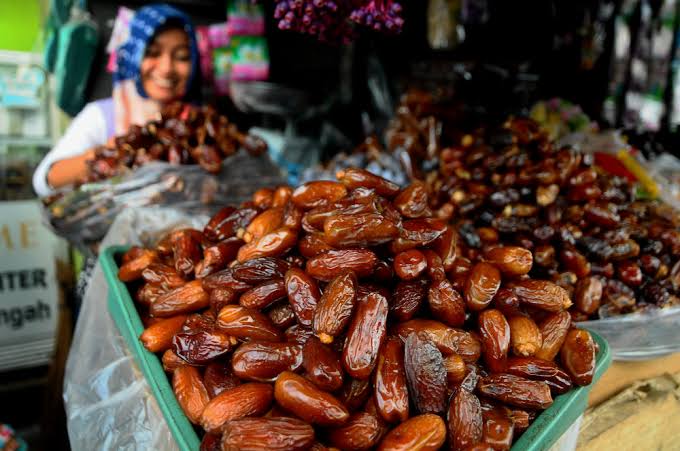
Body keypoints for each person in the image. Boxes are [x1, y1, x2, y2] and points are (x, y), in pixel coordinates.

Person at [33, 3, 202, 197]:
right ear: (132, 56)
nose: (166, 68)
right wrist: (112, 152)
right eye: (152, 53)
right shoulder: (102, 116)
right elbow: (43, 181)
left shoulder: (199, 122)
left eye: (182, 56)